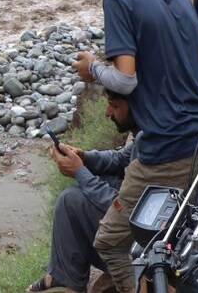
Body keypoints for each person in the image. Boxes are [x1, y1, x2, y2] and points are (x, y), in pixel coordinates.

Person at [72, 0, 198, 293]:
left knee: (109, 242)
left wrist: (92, 68)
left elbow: (125, 79)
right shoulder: (179, 0)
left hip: (165, 149)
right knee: (180, 233)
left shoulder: (119, 0)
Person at [28, 92, 137, 293]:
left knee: (71, 200)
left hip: (138, 249)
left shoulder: (156, 146)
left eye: (114, 106)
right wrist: (85, 158)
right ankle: (63, 277)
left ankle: (64, 280)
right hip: (137, 224)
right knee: (80, 193)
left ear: (138, 106)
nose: (107, 112)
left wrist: (79, 171)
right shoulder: (147, 132)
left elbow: (123, 206)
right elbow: (122, 159)